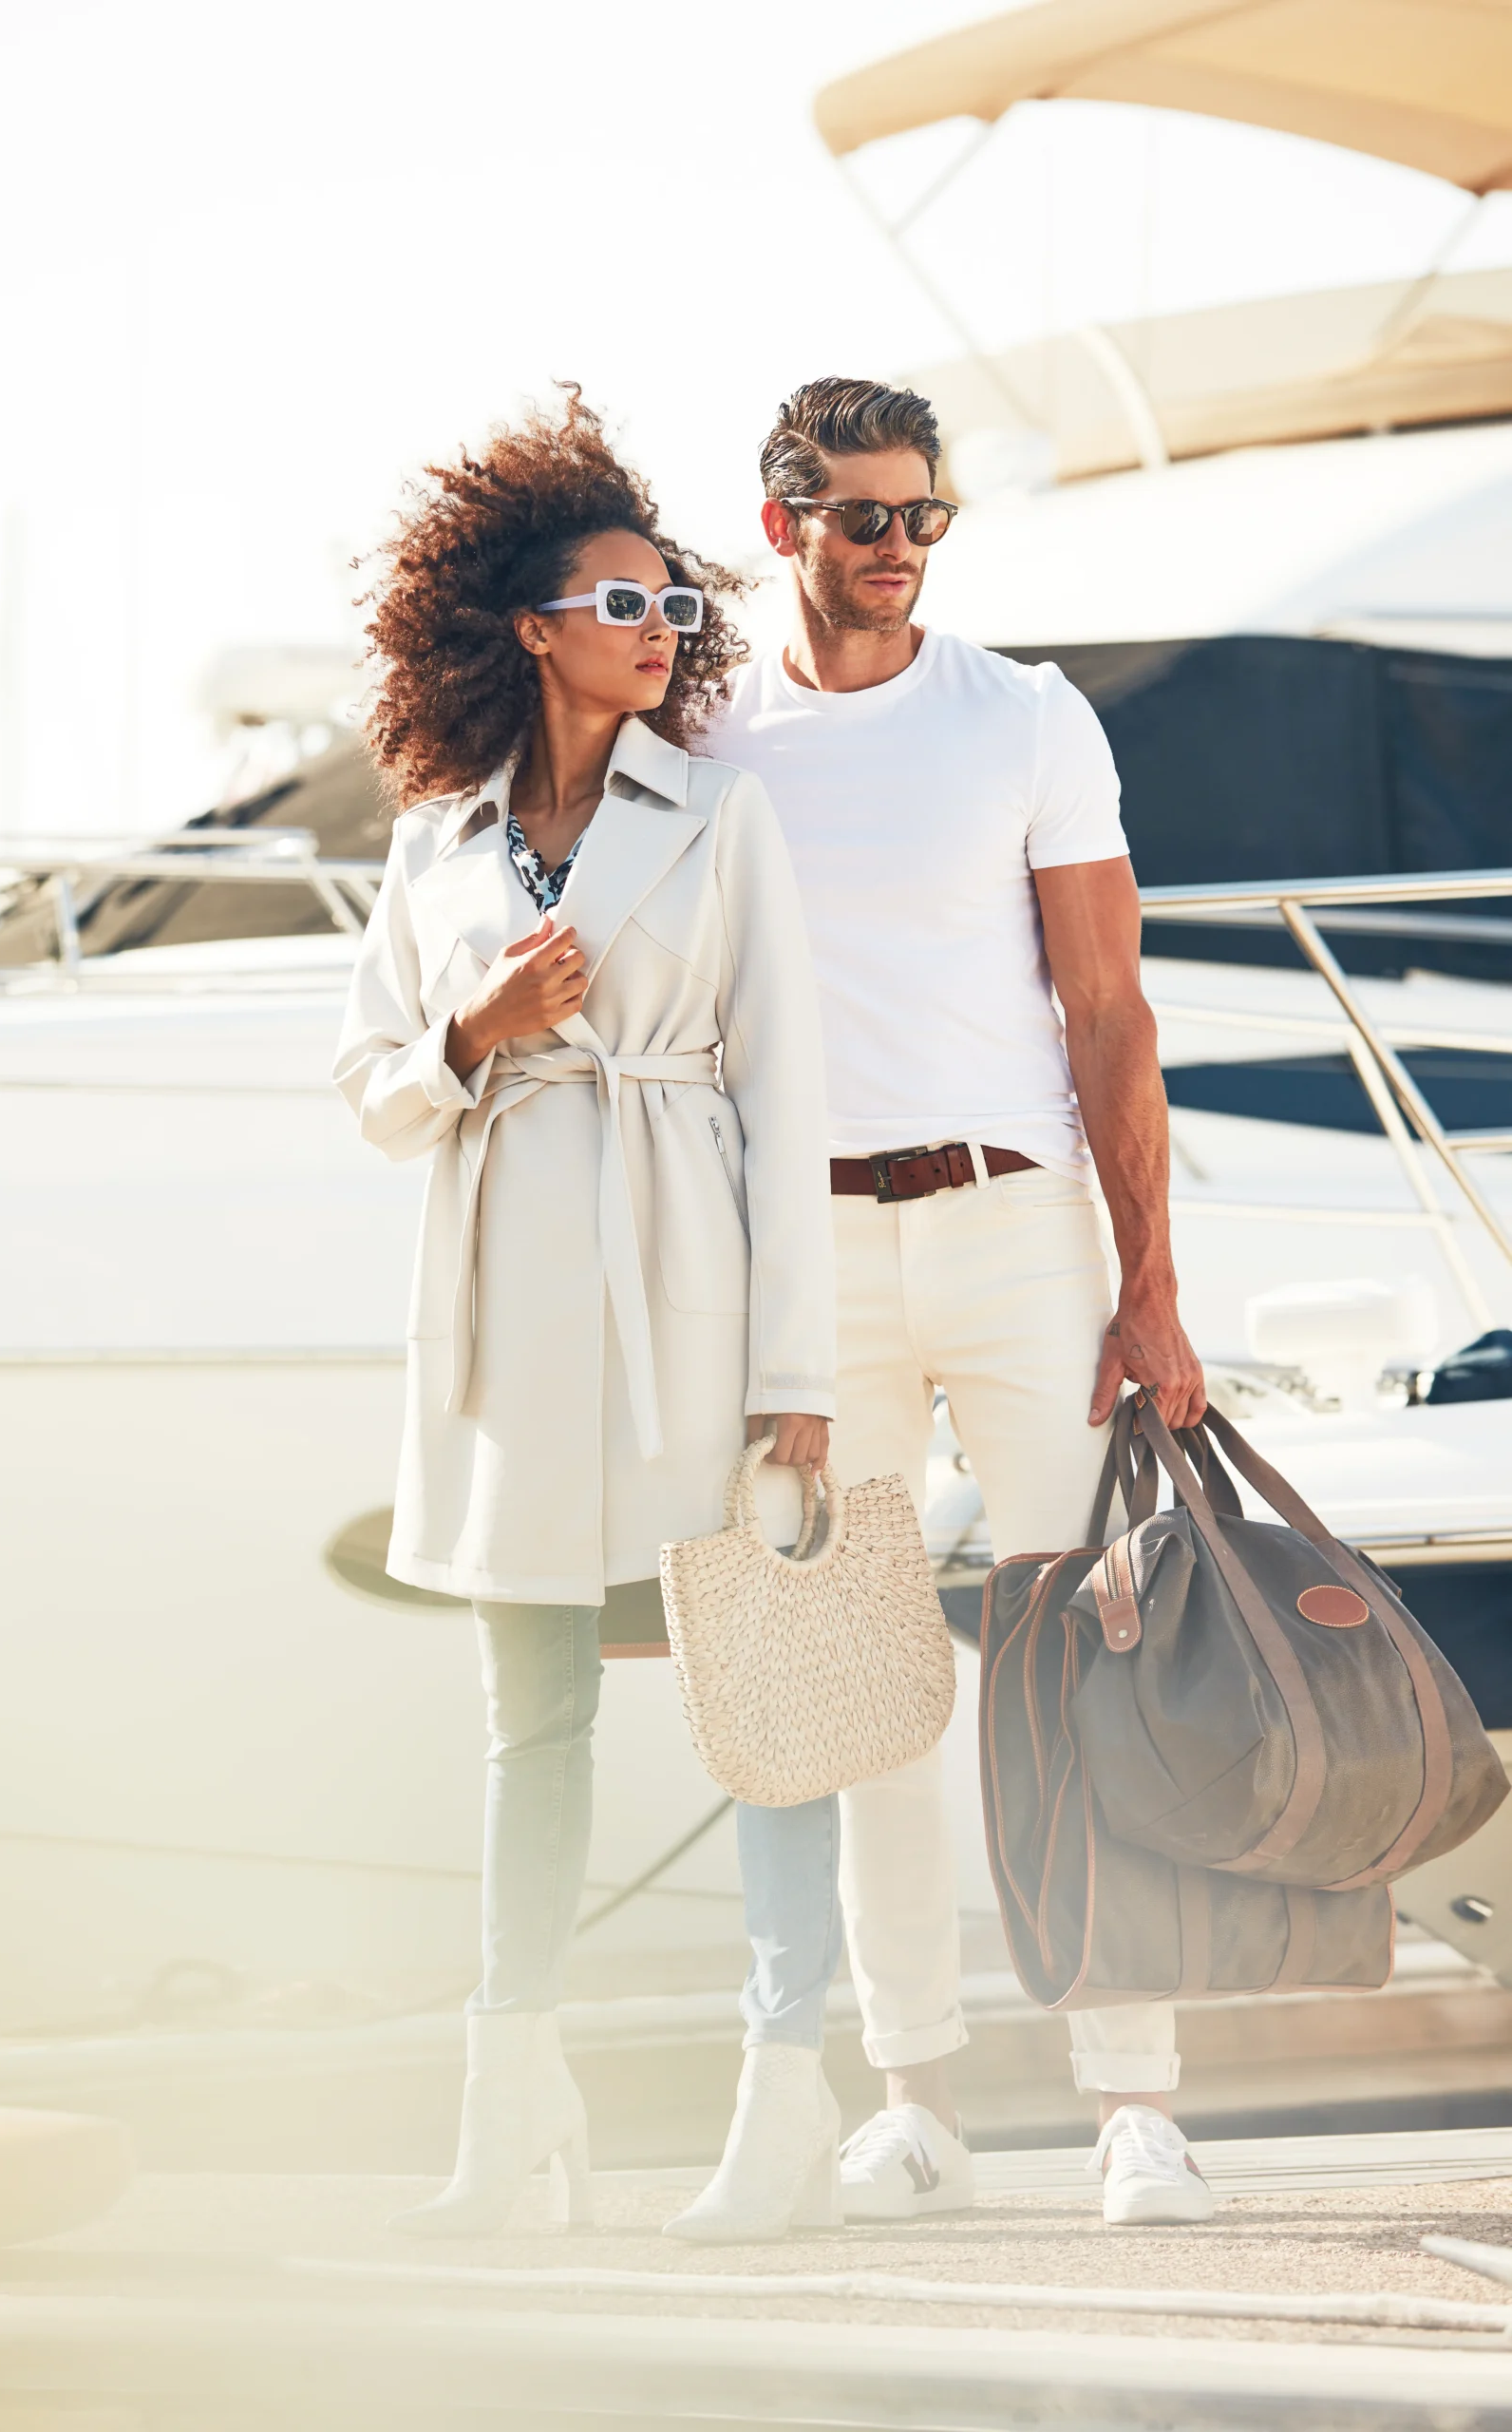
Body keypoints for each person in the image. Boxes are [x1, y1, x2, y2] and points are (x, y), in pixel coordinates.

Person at [667, 376, 1213, 2244]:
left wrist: (1147, 1288)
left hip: (1014, 1227)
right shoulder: (709, 733)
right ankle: (914, 2101)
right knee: (872, 1688)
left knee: (1081, 1665)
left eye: (922, 516)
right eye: (862, 518)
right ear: (783, 525)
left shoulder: (1023, 718)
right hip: (804, 1261)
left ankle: (1135, 2098)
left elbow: (1110, 1011)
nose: (898, 547)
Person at [334, 390, 835, 2237]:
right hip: (503, 1323)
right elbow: (372, 1087)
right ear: (531, 627)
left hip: (685, 1300)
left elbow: (786, 1094)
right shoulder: (434, 842)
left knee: (754, 1705)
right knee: (526, 1716)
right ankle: (505, 2108)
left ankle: (782, 2099)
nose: (662, 631)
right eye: (623, 603)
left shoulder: (723, 816)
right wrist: (477, 1035)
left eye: (674, 607)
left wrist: (801, 1374)